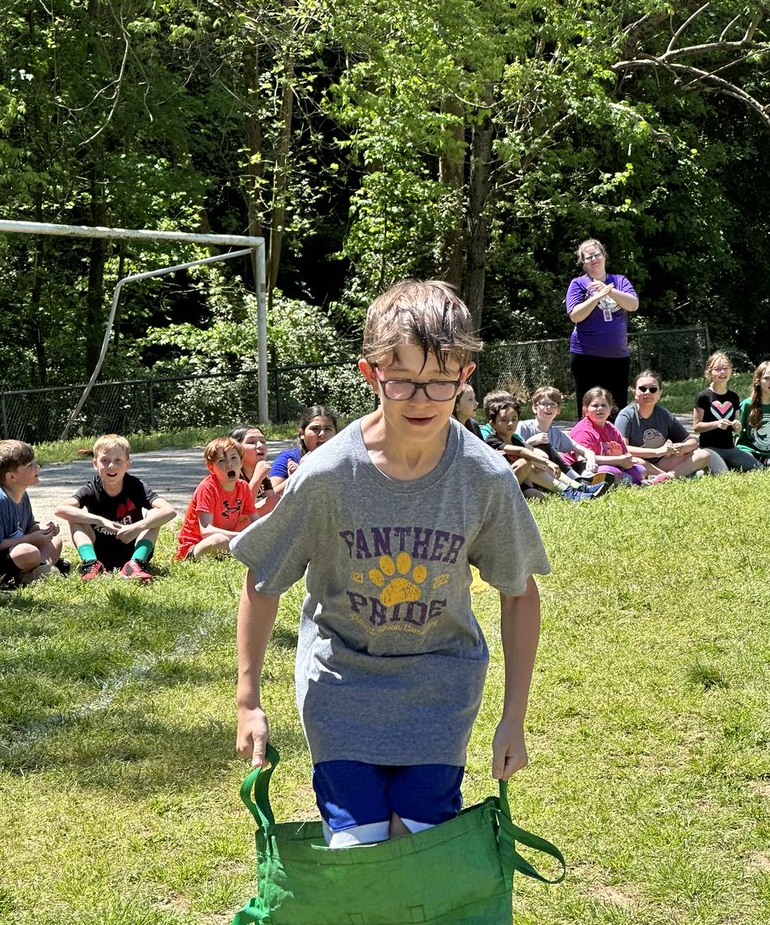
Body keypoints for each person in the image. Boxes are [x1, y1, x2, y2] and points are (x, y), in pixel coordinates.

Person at [232, 279, 550, 849]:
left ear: (465, 376)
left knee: (419, 847)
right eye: (402, 380)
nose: (422, 399)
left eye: (440, 383)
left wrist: (513, 717)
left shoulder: (484, 477)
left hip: (440, 687)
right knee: (361, 848)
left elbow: (518, 592)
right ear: (370, 373)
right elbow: (262, 581)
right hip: (344, 686)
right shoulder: (328, 475)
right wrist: (248, 702)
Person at [55, 434, 176, 583]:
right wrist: (100, 521)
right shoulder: (91, 488)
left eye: (118, 460)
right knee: (73, 515)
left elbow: (169, 511)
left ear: (127, 464)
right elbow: (60, 510)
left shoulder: (136, 486)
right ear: (95, 464)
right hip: (100, 552)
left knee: (155, 512)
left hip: (130, 548)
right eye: (105, 461)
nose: (111, 466)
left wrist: (136, 528)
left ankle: (135, 564)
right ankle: (92, 564)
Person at [481, 390, 608, 502]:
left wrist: (542, 461)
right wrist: (547, 462)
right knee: (525, 462)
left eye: (514, 419)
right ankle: (568, 491)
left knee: (538, 497)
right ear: (493, 423)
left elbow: (530, 450)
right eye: (504, 420)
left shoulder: (515, 438)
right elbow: (521, 451)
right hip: (502, 483)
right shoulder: (491, 438)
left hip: (522, 482)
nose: (510, 423)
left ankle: (577, 486)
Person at [565, 237, 639, 412]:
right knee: (589, 407)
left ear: (604, 256)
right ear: (583, 262)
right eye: (588, 257)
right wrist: (596, 297)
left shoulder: (620, 281)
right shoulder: (578, 284)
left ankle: (615, 439)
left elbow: (633, 305)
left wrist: (609, 291)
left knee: (616, 406)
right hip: (586, 356)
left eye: (596, 254)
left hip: (617, 356)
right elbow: (575, 315)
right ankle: (588, 440)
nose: (594, 260)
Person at [0, 439, 65, 585]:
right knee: (28, 552)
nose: (37, 467)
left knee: (56, 541)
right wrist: (30, 539)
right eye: (30, 465)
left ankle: (40, 570)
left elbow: (28, 526)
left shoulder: (21, 494)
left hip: (17, 550)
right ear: (12, 476)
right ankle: (26, 574)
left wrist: (44, 529)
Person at [616, 371, 717, 478]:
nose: (647, 392)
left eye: (653, 389)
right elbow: (623, 449)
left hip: (663, 462)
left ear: (660, 393)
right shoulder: (626, 415)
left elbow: (692, 442)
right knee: (635, 462)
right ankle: (669, 475)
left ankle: (667, 477)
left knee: (703, 455)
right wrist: (656, 452)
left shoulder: (664, 414)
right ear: (634, 392)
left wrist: (682, 447)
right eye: (642, 389)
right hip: (639, 463)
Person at [175, 437, 257, 560]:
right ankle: (193, 558)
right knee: (219, 540)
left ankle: (230, 551)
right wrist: (242, 536)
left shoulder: (243, 487)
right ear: (211, 467)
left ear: (241, 462)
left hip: (228, 539)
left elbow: (255, 521)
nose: (229, 464)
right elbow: (206, 530)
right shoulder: (207, 488)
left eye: (234, 458)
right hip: (196, 546)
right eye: (221, 461)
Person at [516, 385, 606, 482]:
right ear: (535, 408)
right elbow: (513, 450)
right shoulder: (523, 426)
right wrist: (531, 442)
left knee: (581, 464)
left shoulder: (556, 433)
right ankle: (578, 482)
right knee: (544, 446)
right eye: (544, 403)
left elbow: (586, 451)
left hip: (550, 473)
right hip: (530, 473)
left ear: (558, 410)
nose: (548, 407)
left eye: (553, 404)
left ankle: (586, 479)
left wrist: (591, 461)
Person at [568, 387, 654, 485]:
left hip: (610, 465)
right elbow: (582, 460)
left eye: (604, 405)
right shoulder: (583, 431)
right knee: (612, 473)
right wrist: (617, 460)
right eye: (595, 405)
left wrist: (621, 456)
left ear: (610, 408)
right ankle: (635, 482)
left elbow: (625, 455)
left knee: (640, 470)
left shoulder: (611, 428)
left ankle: (632, 481)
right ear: (585, 410)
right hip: (582, 469)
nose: (600, 409)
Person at [693, 353, 761, 472]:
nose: (722, 372)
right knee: (722, 473)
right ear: (709, 372)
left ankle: (725, 464)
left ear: (731, 370)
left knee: (758, 468)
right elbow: (696, 427)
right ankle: (704, 468)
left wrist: (737, 426)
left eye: (725, 368)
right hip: (709, 448)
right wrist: (716, 424)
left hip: (730, 448)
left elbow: (737, 428)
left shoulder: (733, 397)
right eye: (717, 369)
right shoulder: (703, 396)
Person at [269, 406, 339, 494]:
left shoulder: (344, 458)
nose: (322, 434)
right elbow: (271, 495)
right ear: (302, 434)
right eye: (315, 429)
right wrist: (300, 473)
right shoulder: (289, 458)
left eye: (328, 429)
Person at [230, 426, 280, 514]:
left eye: (263, 441)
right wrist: (257, 478)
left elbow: (272, 499)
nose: (260, 446)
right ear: (236, 449)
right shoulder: (232, 475)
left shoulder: (262, 473)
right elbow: (238, 513)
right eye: (252, 442)